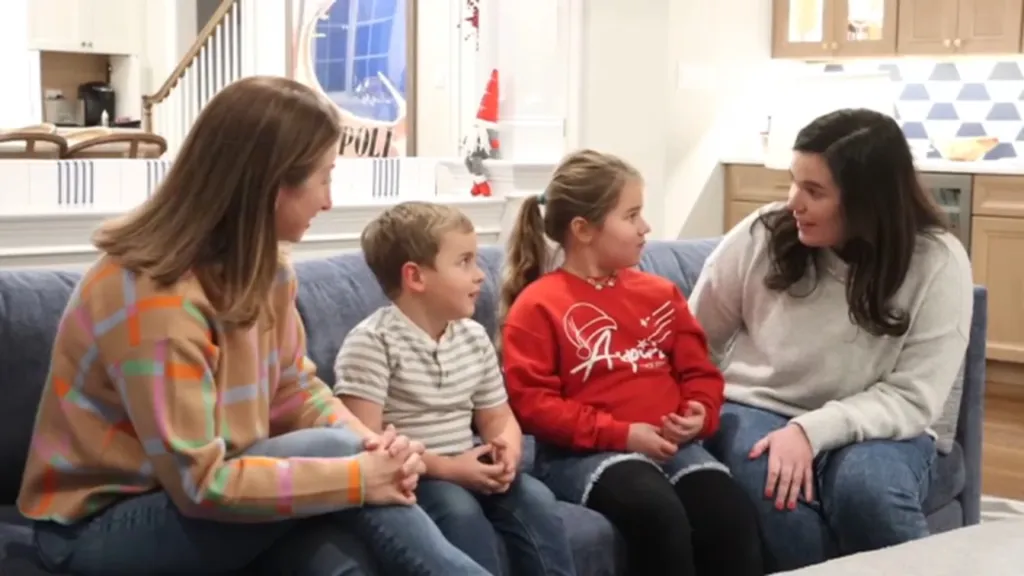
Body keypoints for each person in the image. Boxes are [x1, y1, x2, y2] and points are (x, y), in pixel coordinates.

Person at [17, 76, 490, 576]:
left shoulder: (269, 270)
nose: (329, 201)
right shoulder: (153, 297)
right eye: (324, 178)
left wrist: (374, 449)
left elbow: (294, 388)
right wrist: (357, 476)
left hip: (216, 495)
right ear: (271, 187)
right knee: (337, 457)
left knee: (337, 560)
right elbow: (202, 485)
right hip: (101, 526)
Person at [691, 108, 974, 571]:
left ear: (869, 201)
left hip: (884, 425)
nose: (792, 203)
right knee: (773, 489)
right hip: (757, 407)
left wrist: (812, 429)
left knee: (867, 492)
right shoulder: (762, 234)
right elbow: (693, 339)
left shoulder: (937, 262)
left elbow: (914, 397)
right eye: (794, 181)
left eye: (814, 191)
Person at [498, 149, 765, 576]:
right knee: (655, 513)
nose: (646, 228)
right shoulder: (538, 306)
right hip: (582, 455)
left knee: (728, 513)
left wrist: (700, 412)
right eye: (632, 215)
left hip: (672, 445)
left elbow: (701, 373)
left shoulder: (659, 293)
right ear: (583, 229)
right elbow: (533, 407)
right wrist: (623, 434)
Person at [334, 202, 577, 576]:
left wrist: (507, 452)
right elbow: (367, 442)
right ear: (415, 277)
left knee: (537, 500)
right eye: (464, 262)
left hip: (472, 463)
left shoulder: (473, 336)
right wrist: (449, 469)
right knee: (459, 511)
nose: (481, 275)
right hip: (421, 475)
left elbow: (497, 416)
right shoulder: (372, 343)